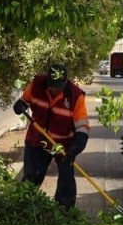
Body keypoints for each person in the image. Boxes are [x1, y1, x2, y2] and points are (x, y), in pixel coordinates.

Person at [12, 63, 90, 208]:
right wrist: (20, 105)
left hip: (63, 145)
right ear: (47, 81)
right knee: (31, 177)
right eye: (52, 85)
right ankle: (25, 208)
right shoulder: (37, 85)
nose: (55, 89)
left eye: (58, 86)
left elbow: (82, 127)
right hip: (38, 140)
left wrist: (75, 148)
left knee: (66, 179)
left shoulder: (75, 96)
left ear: (66, 82)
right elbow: (25, 100)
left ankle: (64, 210)